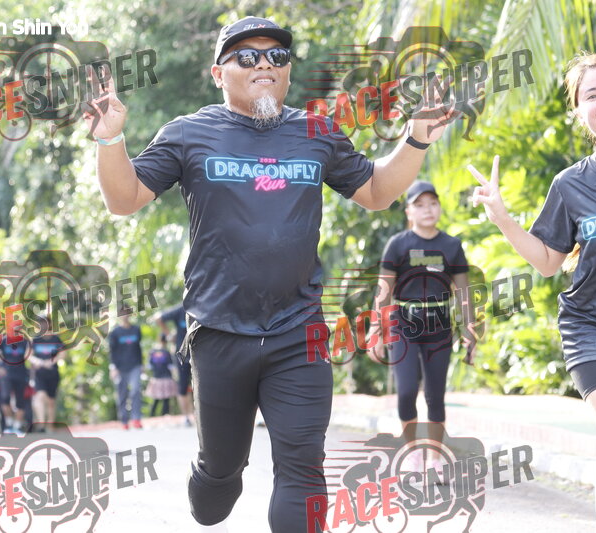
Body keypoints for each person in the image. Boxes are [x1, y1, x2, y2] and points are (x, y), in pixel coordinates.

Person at [84, 15, 454, 532]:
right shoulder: (189, 134)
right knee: (218, 481)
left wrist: (415, 140)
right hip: (219, 332)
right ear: (219, 73)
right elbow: (124, 200)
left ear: (287, 70)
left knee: (304, 469)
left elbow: (375, 192)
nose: (264, 64)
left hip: (298, 331)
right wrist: (110, 141)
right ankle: (215, 477)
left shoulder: (316, 132)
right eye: (247, 56)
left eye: (277, 56)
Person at [468, 53, 596, 533]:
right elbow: (547, 261)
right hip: (593, 327)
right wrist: (503, 218)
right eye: (590, 95)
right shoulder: (571, 184)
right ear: (580, 113)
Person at [366, 181, 476, 476]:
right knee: (405, 392)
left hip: (439, 326)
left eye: (433, 203)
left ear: (439, 208)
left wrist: (469, 329)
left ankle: (435, 459)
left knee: (435, 396)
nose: (428, 210)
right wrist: (376, 330)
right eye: (420, 204)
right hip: (403, 325)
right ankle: (413, 453)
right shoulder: (398, 244)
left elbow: (463, 293)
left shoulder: (452, 246)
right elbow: (383, 291)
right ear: (409, 212)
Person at [155, 302, 194, 425]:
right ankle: (186, 417)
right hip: (182, 355)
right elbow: (158, 318)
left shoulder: (200, 306)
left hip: (199, 354)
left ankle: (199, 414)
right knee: (183, 386)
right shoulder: (180, 309)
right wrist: (169, 335)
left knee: (202, 385)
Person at [108, 314, 143, 429]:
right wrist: (113, 368)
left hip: (135, 366)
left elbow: (139, 348)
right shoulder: (115, 332)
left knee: (135, 390)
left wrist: (141, 364)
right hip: (120, 368)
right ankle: (124, 421)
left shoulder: (136, 329)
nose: (125, 315)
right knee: (122, 394)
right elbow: (112, 351)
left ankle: (136, 418)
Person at [30, 319, 67, 426]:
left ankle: (50, 425)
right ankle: (41, 423)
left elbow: (63, 354)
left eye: (44, 322)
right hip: (39, 374)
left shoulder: (56, 339)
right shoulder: (35, 340)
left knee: (51, 401)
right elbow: (28, 355)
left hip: (53, 373)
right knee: (40, 396)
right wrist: (38, 362)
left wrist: (51, 361)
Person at [146, 334, 179, 417]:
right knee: (166, 399)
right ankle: (164, 415)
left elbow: (149, 366)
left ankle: (151, 415)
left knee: (156, 399)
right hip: (166, 378)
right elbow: (171, 366)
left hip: (156, 378)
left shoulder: (152, 352)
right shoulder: (166, 352)